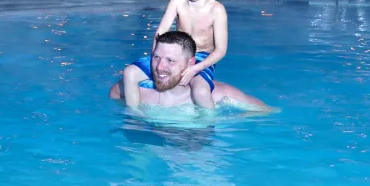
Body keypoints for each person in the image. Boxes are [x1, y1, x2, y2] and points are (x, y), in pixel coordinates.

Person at [120, 0, 227, 109]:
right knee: (129, 72)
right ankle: (134, 116)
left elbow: (221, 50)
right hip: (175, 53)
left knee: (201, 92)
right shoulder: (178, 0)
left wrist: (196, 68)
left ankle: (207, 128)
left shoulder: (217, 10)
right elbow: (161, 31)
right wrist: (155, 58)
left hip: (201, 58)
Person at [108, 31, 270, 111]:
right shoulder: (137, 92)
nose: (159, 67)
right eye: (156, 57)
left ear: (190, 63)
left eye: (170, 61)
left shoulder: (219, 95)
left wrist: (227, 124)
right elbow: (113, 97)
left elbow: (265, 112)